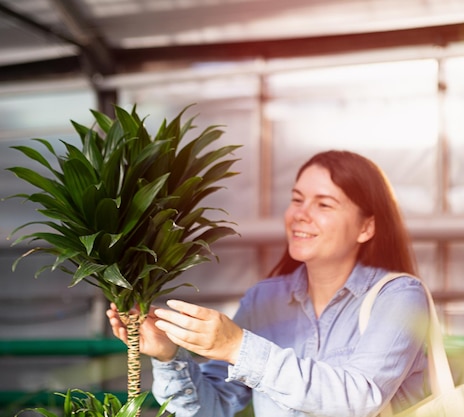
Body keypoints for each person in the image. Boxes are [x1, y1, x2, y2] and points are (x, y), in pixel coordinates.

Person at [107, 150, 429, 417]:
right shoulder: (264, 299)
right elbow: (214, 408)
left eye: (324, 204)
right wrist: (168, 355)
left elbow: (360, 399)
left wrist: (238, 346)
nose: (300, 214)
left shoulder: (400, 297)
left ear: (366, 227)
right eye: (297, 199)